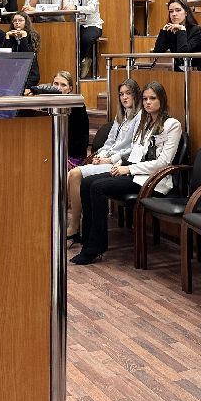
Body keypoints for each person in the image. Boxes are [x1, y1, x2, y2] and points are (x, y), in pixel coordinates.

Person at [71, 81, 183, 265]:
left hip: (152, 180)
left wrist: (128, 169)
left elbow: (163, 162)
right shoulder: (145, 123)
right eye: (145, 99)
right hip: (134, 173)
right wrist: (117, 164)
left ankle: (94, 248)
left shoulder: (172, 125)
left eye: (152, 98)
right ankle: (88, 240)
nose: (148, 102)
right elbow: (134, 154)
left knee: (98, 187)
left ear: (162, 100)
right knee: (87, 182)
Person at [66, 78, 143, 240]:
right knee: (71, 176)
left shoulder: (140, 117)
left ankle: (75, 225)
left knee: (74, 174)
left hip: (121, 164)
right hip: (108, 160)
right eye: (121, 94)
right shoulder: (121, 115)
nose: (124, 97)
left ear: (136, 95)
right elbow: (109, 142)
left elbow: (134, 149)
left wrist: (109, 159)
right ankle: (78, 223)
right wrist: (100, 156)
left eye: (128, 93)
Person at [63, 0, 103, 78]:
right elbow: (66, 9)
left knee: (86, 38)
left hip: (92, 24)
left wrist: (75, 7)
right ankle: (81, 62)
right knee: (66, 39)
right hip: (75, 24)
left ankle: (76, 65)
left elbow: (91, 8)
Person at [151, 0, 201, 70]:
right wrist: (164, 31)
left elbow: (183, 53)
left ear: (186, 12)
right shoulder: (171, 31)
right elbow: (157, 52)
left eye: (178, 10)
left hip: (198, 71)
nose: (174, 14)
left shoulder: (197, 30)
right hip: (179, 71)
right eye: (171, 11)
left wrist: (182, 30)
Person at [49, 71, 90, 165]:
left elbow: (80, 140)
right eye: (56, 84)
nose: (58, 88)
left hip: (72, 155)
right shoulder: (48, 104)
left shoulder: (77, 106)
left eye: (63, 85)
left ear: (69, 89)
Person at [6, 12, 41, 89]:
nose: (17, 23)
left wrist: (23, 37)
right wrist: (8, 37)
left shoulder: (32, 35)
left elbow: (27, 56)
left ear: (26, 22)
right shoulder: (11, 36)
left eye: (20, 20)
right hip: (12, 76)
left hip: (29, 76)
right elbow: (6, 56)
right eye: (15, 21)